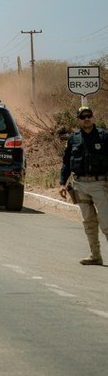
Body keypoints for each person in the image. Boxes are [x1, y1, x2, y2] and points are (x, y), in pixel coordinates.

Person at [59, 106, 108, 265]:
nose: (86, 119)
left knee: (106, 222)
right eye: (83, 116)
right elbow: (66, 163)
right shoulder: (73, 139)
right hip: (80, 184)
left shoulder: (103, 136)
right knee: (89, 222)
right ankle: (95, 255)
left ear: (93, 117)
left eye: (89, 116)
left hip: (100, 183)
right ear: (78, 120)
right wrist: (62, 183)